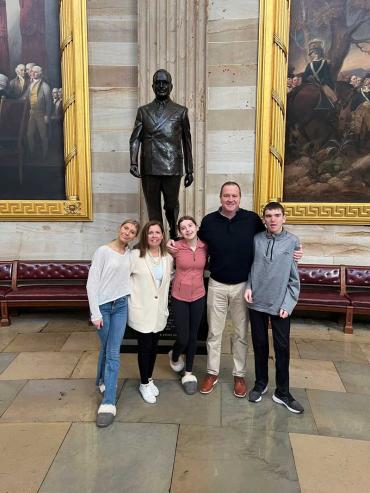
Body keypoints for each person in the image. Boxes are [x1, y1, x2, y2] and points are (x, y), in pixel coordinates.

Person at [168, 182, 303, 398]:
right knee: (214, 332)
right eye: (226, 195)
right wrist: (173, 242)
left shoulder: (251, 220)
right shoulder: (210, 221)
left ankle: (239, 375)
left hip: (243, 286)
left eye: (235, 195)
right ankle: (212, 373)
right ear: (220, 197)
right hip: (216, 284)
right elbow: (193, 239)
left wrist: (296, 248)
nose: (230, 199)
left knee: (240, 334)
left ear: (240, 198)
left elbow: (272, 235)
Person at [245, 202, 303, 413]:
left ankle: (283, 392)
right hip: (256, 302)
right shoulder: (257, 240)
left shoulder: (292, 242)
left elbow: (294, 280)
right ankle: (261, 384)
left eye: (277, 215)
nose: (272, 219)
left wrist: (288, 304)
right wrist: (249, 287)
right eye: (268, 216)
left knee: (282, 349)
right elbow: (252, 267)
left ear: (284, 218)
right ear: (264, 219)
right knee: (259, 345)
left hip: (280, 305)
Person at [87, 219, 140, 427]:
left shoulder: (130, 254)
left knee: (112, 350)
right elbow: (92, 283)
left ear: (135, 237)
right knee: (108, 349)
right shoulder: (102, 251)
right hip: (103, 308)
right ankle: (105, 392)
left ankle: (106, 393)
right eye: (126, 228)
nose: (128, 233)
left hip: (121, 307)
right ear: (120, 229)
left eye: (132, 231)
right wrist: (95, 313)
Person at [129, 69, 194, 239]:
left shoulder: (181, 111)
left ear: (171, 86)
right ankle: (156, 240)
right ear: (152, 86)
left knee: (172, 205)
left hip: (172, 166)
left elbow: (187, 142)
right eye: (157, 82)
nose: (161, 86)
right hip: (149, 165)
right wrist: (133, 162)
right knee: (153, 207)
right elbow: (135, 139)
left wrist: (190, 170)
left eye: (164, 83)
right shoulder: (144, 111)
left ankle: (173, 234)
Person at [128, 221, 174, 403]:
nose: (154, 236)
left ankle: (150, 377)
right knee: (145, 347)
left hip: (158, 312)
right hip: (141, 311)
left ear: (163, 236)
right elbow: (122, 279)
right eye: (150, 233)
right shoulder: (134, 256)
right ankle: (144, 383)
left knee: (154, 347)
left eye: (157, 232)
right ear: (145, 236)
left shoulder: (167, 258)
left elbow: (169, 279)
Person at [168, 216, 207, 394]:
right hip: (179, 296)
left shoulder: (205, 246)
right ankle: (174, 356)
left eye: (190, 225)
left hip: (198, 295)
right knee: (183, 337)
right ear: (179, 232)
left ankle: (189, 372)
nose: (188, 229)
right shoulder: (175, 247)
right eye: (183, 228)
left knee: (193, 337)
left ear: (196, 227)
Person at [26, 65, 52, 158]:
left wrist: (46, 115)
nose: (32, 73)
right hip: (32, 113)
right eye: (32, 71)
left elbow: (49, 102)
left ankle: (45, 154)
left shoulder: (45, 86)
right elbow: (24, 97)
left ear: (40, 74)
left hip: (41, 113)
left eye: (35, 72)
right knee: (29, 134)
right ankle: (32, 154)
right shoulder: (30, 85)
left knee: (43, 135)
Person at [302, 40, 337, 108]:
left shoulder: (310, 65)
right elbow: (327, 77)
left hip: (311, 86)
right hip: (322, 85)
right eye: (314, 52)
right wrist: (321, 82)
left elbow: (304, 79)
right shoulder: (325, 63)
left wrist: (310, 80)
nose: (314, 53)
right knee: (334, 98)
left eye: (314, 51)